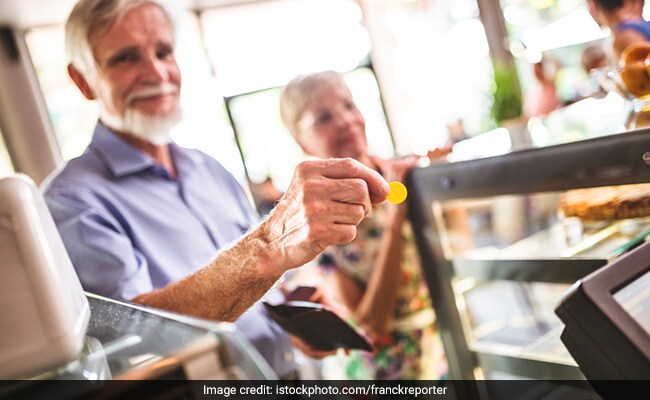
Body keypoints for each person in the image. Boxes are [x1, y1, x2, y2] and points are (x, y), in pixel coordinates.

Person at [42, 0, 389, 378]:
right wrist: (271, 244)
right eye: (126, 58)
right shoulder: (70, 202)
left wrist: (295, 313)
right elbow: (138, 339)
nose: (156, 71)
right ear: (82, 80)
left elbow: (259, 294)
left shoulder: (209, 168)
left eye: (163, 51)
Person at [279, 71, 449, 380]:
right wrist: (397, 220)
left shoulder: (406, 173)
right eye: (324, 117)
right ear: (300, 140)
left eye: (348, 105)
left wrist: (442, 183)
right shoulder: (318, 220)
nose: (346, 120)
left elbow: (459, 246)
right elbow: (371, 322)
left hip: (443, 350)